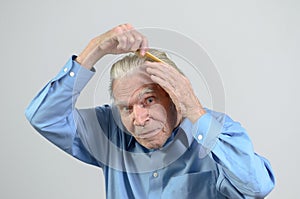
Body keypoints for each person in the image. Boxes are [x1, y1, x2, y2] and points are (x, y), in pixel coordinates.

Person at [25, 23, 275, 198]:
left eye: (149, 100)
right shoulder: (112, 129)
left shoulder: (217, 132)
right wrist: (95, 49)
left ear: (174, 94)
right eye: (126, 108)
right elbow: (44, 116)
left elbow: (256, 187)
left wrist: (194, 109)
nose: (139, 119)